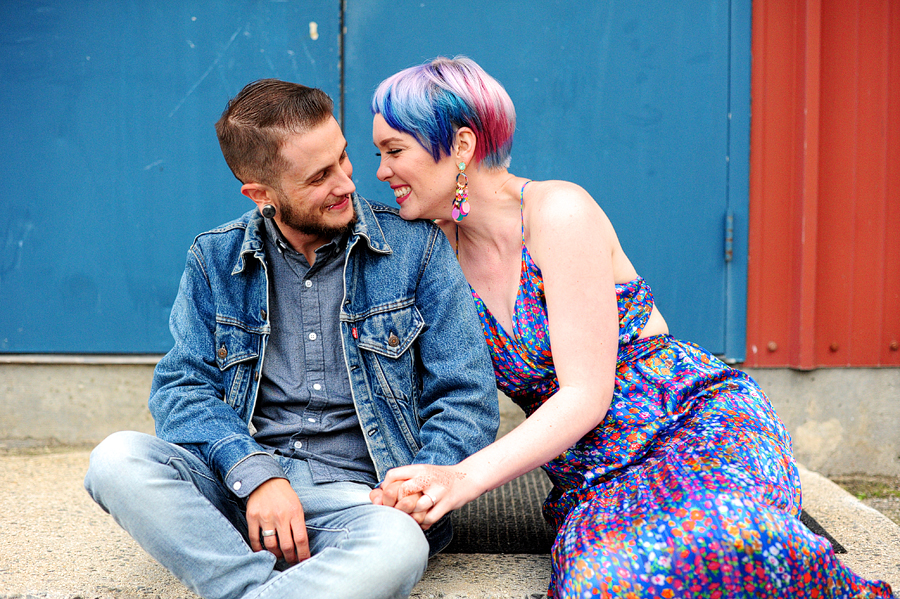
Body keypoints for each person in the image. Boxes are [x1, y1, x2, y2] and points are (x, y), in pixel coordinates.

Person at [368, 57, 894, 598]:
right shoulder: (436, 257)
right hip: (594, 472)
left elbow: (586, 395)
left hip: (692, 427)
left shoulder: (557, 212)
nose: (381, 172)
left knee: (721, 542)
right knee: (602, 581)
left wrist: (463, 479)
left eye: (394, 150)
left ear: (459, 145)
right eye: (378, 154)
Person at [83, 79, 498, 599]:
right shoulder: (215, 259)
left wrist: (418, 485)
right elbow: (181, 388)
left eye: (343, 158)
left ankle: (241, 587)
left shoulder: (416, 248)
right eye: (319, 176)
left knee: (400, 544)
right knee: (116, 459)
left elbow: (466, 394)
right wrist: (254, 473)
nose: (347, 183)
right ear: (261, 194)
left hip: (364, 503)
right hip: (242, 496)